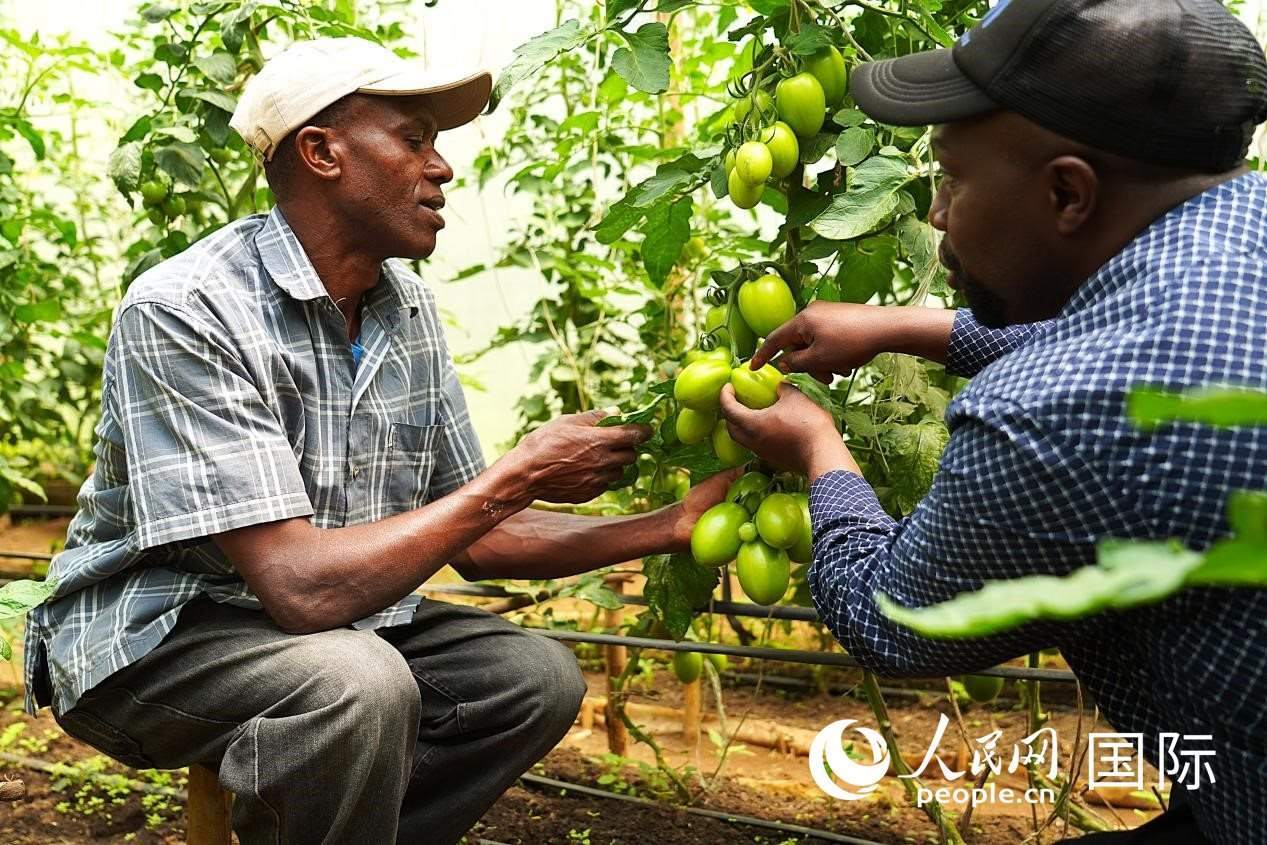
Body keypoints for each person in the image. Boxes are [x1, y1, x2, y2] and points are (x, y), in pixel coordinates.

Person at [23, 37, 731, 844]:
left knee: (529, 679)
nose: (442, 169)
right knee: (357, 682)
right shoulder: (187, 306)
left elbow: (485, 539)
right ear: (322, 152)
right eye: (414, 138)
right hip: (157, 638)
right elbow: (298, 586)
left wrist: (667, 526)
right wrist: (517, 474)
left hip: (319, 637)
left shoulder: (407, 311)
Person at [718, 1, 1267, 842]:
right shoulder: (1229, 241)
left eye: (950, 178)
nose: (937, 213)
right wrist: (910, 325)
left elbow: (889, 619)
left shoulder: (1050, 413)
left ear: (1066, 192)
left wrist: (818, 449)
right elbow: (1150, 333)